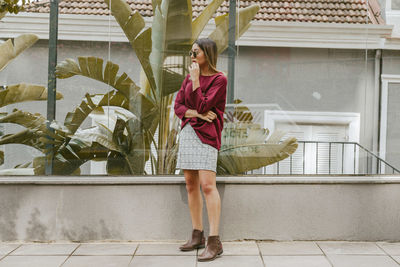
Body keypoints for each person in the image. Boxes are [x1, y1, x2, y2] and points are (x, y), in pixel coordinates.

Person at [173, 38, 227, 262]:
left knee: (207, 185)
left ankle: (214, 241)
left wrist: (196, 82)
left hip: (207, 136)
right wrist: (197, 114)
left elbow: (204, 104)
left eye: (197, 52)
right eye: (191, 52)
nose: (192, 56)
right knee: (190, 184)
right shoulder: (187, 78)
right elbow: (178, 107)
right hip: (189, 133)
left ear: (208, 53)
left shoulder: (219, 79)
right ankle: (197, 235)